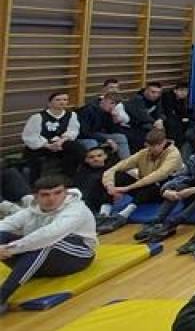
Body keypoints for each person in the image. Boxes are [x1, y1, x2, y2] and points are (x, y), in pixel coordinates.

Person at [0, 175, 96, 313]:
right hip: (39, 261)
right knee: (3, 235)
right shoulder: (30, 211)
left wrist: (10, 249)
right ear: (36, 197)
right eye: (45, 195)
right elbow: (5, 224)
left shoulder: (77, 209)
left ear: (66, 193)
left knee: (46, 242)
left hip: (78, 256)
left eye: (57, 193)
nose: (52, 199)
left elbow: (49, 235)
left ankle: (2, 297)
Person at [97, 128, 183, 233]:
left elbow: (159, 175)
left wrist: (127, 188)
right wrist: (110, 187)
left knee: (153, 183)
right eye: (150, 146)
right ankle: (103, 214)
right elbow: (114, 169)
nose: (152, 149)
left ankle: (122, 216)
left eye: (156, 145)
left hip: (163, 190)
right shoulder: (144, 153)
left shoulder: (174, 155)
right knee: (117, 175)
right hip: (143, 187)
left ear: (164, 142)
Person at [22, 91, 85, 179]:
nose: (62, 102)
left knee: (75, 147)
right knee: (34, 157)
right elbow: (30, 136)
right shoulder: (37, 117)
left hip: (60, 143)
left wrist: (60, 142)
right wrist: (48, 145)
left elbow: (73, 131)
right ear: (49, 103)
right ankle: (34, 182)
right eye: (58, 100)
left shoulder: (71, 115)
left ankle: (72, 177)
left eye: (65, 100)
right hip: (42, 145)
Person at [75, 92, 131, 159]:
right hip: (80, 136)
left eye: (115, 104)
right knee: (92, 143)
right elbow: (84, 132)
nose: (112, 106)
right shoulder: (88, 110)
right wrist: (106, 140)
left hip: (95, 133)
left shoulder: (107, 111)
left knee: (121, 137)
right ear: (103, 100)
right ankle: (96, 164)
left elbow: (111, 130)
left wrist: (114, 118)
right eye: (111, 103)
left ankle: (126, 163)